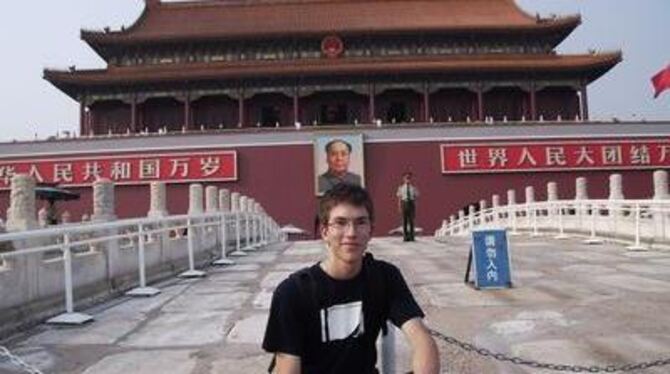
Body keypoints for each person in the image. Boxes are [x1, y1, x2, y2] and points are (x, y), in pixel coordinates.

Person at [263, 184, 439, 374]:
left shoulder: (384, 277)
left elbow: (422, 340)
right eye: (340, 222)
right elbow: (288, 368)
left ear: (371, 230)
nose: (351, 233)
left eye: (360, 222)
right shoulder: (293, 292)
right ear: (325, 232)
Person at [396, 172, 420, 242]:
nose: (408, 180)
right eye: (406, 178)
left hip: (411, 204)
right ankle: (405, 237)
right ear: (403, 179)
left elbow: (416, 196)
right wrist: (399, 206)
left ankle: (412, 237)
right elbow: (399, 198)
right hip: (404, 203)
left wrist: (415, 204)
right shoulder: (401, 188)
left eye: (409, 178)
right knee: (404, 221)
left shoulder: (413, 188)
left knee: (411, 221)